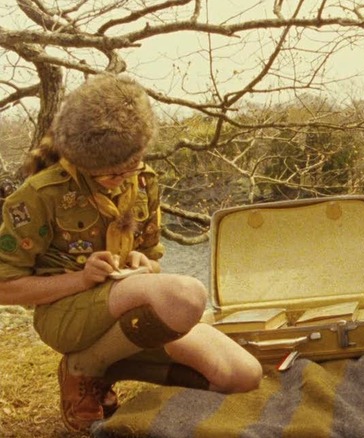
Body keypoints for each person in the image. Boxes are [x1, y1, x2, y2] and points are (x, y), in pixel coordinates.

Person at [0, 74, 263, 432]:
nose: (121, 179)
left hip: (126, 315)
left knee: (243, 375)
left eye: (130, 167)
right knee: (187, 296)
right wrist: (81, 278)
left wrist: (146, 265)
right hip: (67, 318)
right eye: (108, 175)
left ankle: (109, 366)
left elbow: (151, 256)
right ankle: (82, 369)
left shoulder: (144, 182)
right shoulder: (39, 195)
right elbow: (6, 287)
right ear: (81, 159)